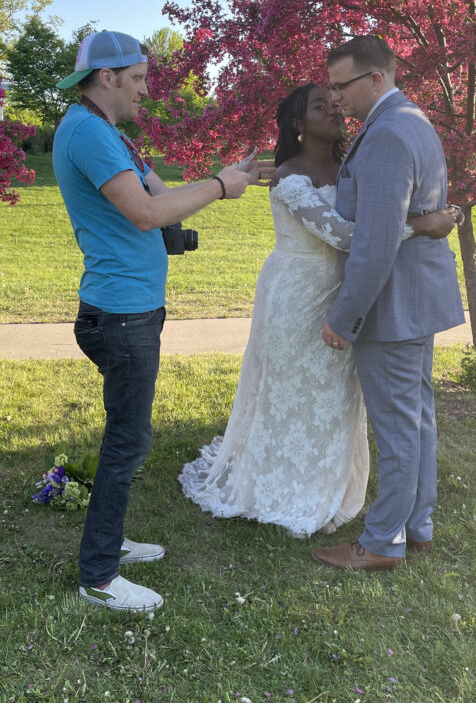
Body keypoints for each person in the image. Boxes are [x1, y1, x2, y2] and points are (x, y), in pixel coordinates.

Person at [179, 83, 458, 537]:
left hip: (343, 290)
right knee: (294, 389)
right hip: (297, 293)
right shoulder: (289, 175)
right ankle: (289, 485)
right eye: (320, 106)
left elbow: (376, 209)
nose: (334, 111)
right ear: (297, 123)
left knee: (338, 394)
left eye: (336, 104)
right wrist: (422, 224)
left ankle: (329, 480)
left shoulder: (350, 164)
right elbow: (346, 236)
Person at [52, 30, 258, 612]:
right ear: (107, 78)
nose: (147, 89)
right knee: (127, 441)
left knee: (128, 437)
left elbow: (157, 192)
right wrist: (220, 186)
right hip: (119, 317)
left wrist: (220, 180)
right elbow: (145, 213)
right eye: (138, 79)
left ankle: (110, 544)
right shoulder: (89, 132)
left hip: (128, 310)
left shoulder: (105, 131)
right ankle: (98, 576)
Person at [313, 35, 465, 573]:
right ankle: (416, 525)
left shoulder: (386, 134)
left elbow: (375, 243)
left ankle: (381, 542)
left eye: (342, 85)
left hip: (392, 302)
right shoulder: (413, 120)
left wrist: (345, 317)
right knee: (417, 418)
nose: (335, 99)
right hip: (416, 297)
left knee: (399, 427)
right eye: (330, 87)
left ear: (376, 79)